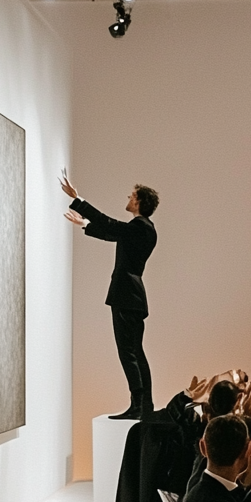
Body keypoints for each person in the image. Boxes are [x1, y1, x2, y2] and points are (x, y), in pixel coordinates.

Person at [60, 169, 159, 420]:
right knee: (134, 351)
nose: (128, 197)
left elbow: (111, 225)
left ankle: (139, 404)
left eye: (132, 195)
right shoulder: (143, 228)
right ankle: (143, 404)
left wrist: (78, 199)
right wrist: (85, 225)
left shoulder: (140, 227)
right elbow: (114, 233)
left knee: (129, 352)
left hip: (127, 296)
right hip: (131, 296)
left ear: (138, 202)